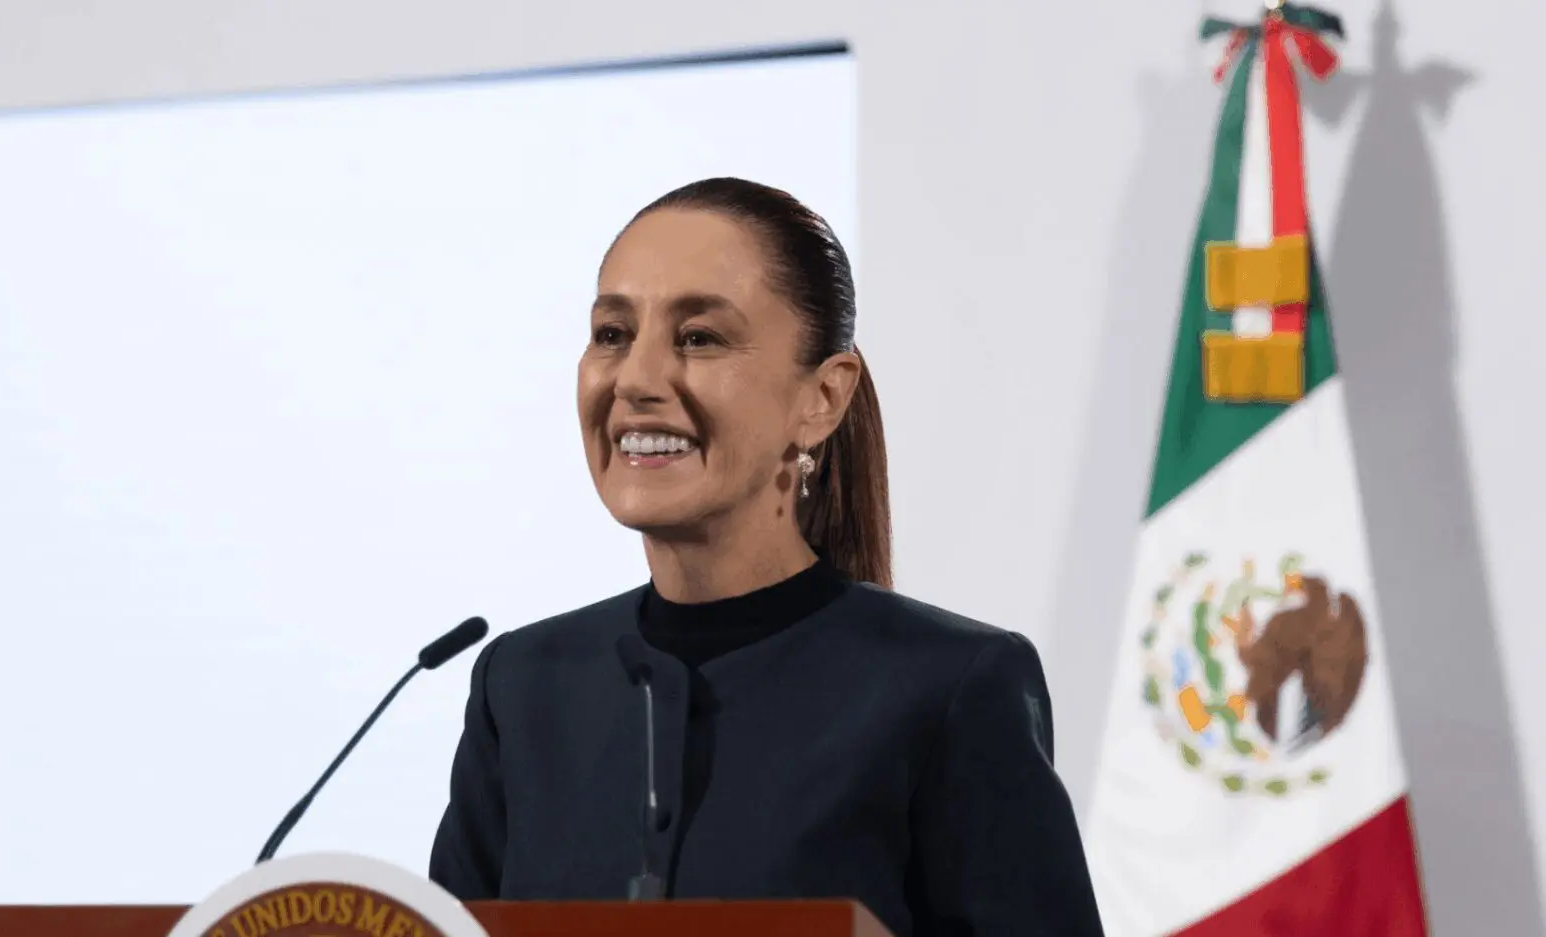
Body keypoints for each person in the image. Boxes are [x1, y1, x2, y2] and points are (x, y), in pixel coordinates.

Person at [428, 178, 1104, 936]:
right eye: (612, 334)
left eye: (699, 338)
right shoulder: (521, 687)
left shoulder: (952, 686)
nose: (636, 379)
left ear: (823, 397)